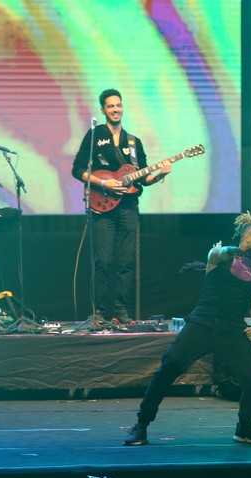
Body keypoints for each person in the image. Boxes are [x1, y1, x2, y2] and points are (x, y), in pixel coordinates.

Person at [123, 212, 251, 446]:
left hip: (232, 331)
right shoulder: (219, 258)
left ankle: (244, 428)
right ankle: (141, 426)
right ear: (247, 237)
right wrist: (235, 251)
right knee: (168, 368)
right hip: (202, 323)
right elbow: (218, 252)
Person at [71, 88, 171, 325]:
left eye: (119, 105)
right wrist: (104, 182)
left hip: (128, 207)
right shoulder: (95, 136)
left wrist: (159, 175)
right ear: (103, 110)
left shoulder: (134, 142)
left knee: (126, 262)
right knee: (103, 261)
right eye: (111, 106)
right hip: (102, 208)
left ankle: (121, 311)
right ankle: (98, 313)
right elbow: (77, 170)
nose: (116, 109)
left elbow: (142, 177)